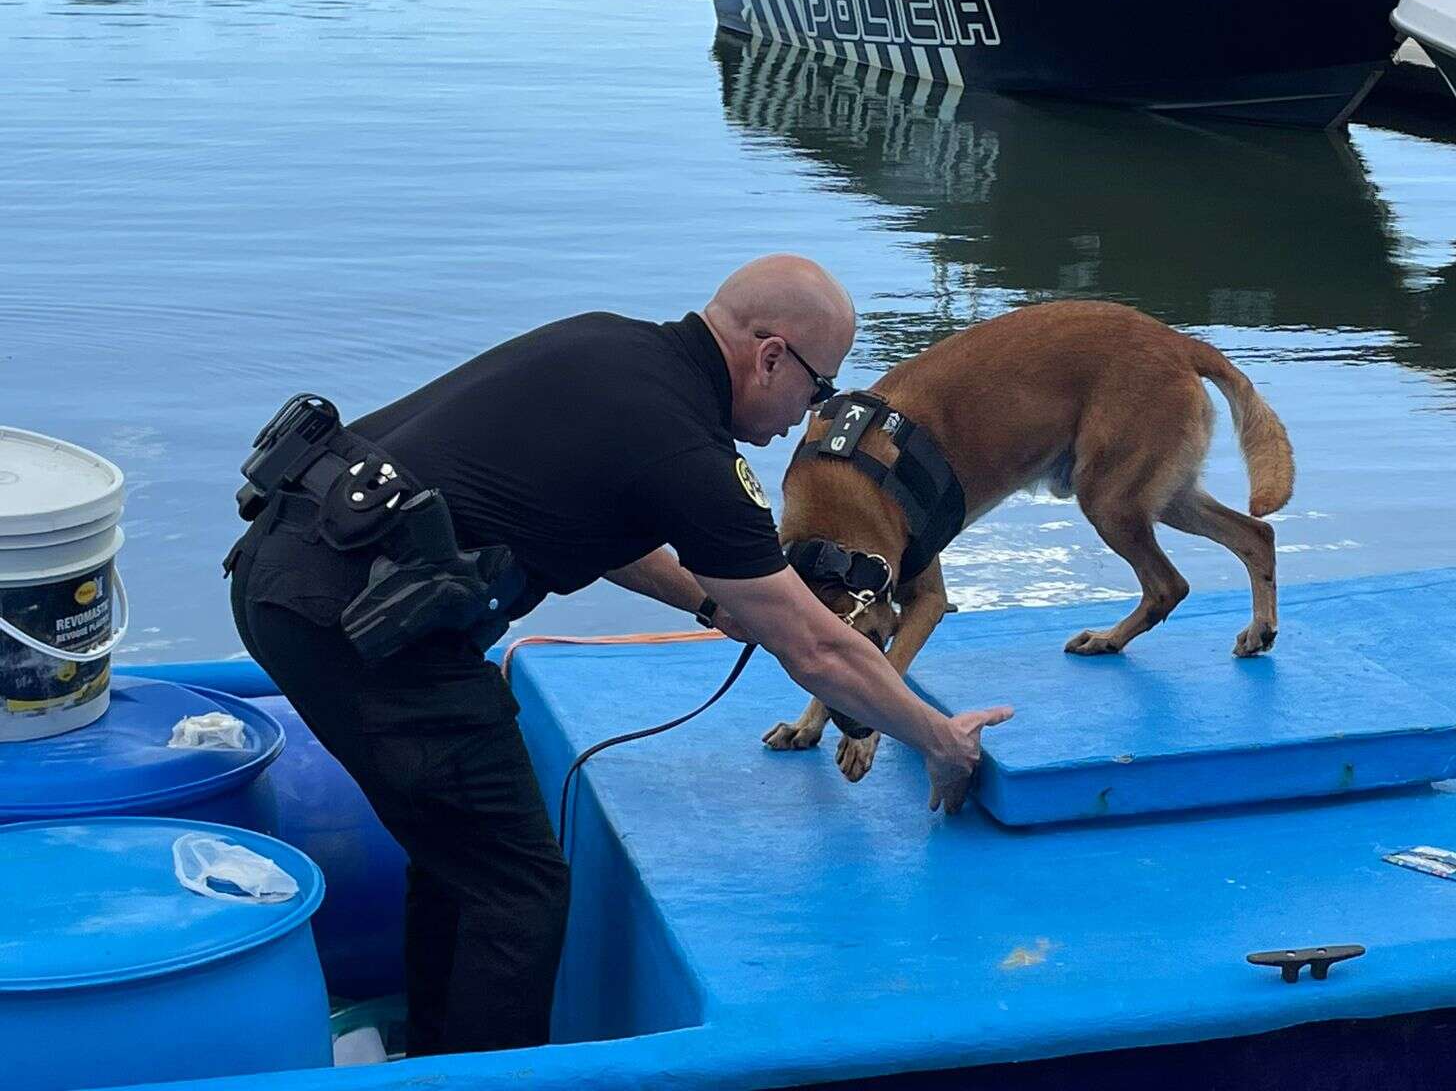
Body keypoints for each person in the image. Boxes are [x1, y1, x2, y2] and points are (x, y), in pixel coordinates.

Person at [224, 254, 1011, 1057]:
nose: (806, 419)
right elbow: (815, 647)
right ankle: (482, 1081)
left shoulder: (607, 346)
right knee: (518, 888)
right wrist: (938, 740)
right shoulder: (690, 453)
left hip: (274, 571)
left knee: (460, 851)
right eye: (817, 390)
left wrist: (708, 600)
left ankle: (433, 1055)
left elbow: (590, 521)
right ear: (771, 355)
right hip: (361, 632)